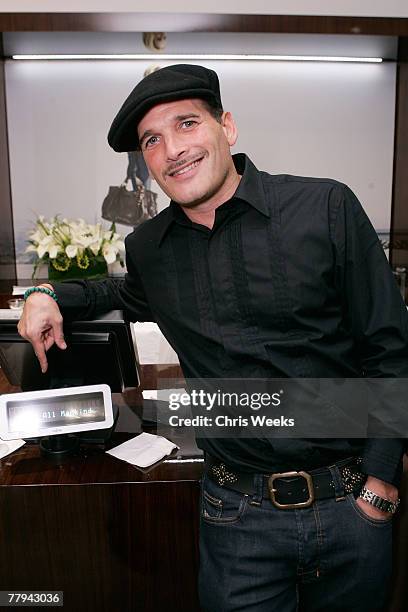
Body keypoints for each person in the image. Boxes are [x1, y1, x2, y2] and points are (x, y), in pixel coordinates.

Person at [18, 64, 408, 612]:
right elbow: (122, 294)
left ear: (227, 127)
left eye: (186, 124)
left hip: (348, 506)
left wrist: (381, 485)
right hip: (237, 519)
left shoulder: (325, 209)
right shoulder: (151, 249)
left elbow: (390, 349)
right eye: (152, 140)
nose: (172, 149)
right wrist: (49, 295)